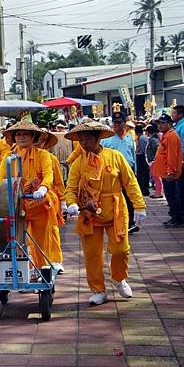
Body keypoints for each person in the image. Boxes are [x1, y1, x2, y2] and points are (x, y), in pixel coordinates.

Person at [64, 121, 146, 305]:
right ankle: (98, 289)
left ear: (97, 138)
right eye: (81, 140)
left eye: (88, 139)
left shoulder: (115, 157)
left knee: (121, 250)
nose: (84, 143)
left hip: (115, 210)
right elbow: (70, 187)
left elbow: (130, 182)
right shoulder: (78, 163)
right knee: (92, 254)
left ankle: (119, 277)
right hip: (89, 213)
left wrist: (139, 206)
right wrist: (71, 203)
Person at [0, 121, 59, 274]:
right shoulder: (9, 158)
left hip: (38, 204)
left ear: (33, 137)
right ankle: (21, 271)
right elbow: (0, 176)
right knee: (16, 240)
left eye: (26, 134)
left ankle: (41, 271)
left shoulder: (43, 155)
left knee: (39, 242)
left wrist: (43, 188)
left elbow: (48, 175)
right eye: (18, 134)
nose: (21, 137)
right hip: (17, 205)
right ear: (14, 137)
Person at [101, 112, 138, 234]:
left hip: (129, 171)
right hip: (114, 173)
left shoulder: (129, 138)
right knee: (118, 198)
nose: (117, 125)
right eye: (115, 122)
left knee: (130, 197)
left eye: (119, 122)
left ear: (124, 123)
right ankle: (119, 222)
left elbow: (133, 155)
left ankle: (131, 222)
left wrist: (135, 171)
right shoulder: (107, 139)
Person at [37, 130, 66, 274]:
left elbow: (59, 182)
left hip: (49, 200)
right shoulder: (20, 157)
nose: (38, 143)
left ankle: (55, 260)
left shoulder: (51, 159)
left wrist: (63, 200)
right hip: (30, 201)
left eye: (42, 140)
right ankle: (36, 264)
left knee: (52, 231)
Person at [155, 114, 183, 227]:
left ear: (169, 124)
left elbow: (172, 156)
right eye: (159, 123)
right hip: (165, 172)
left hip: (169, 173)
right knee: (170, 195)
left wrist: (171, 172)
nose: (160, 125)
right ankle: (175, 216)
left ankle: (177, 218)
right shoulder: (166, 135)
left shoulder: (171, 136)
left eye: (162, 123)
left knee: (172, 196)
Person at [172, 105, 184, 217]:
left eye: (174, 113)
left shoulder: (183, 127)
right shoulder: (177, 126)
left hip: (181, 163)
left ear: (180, 114)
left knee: (180, 190)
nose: (172, 115)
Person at [145, 124, 162, 198]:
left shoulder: (153, 140)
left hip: (154, 161)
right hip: (152, 161)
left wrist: (156, 158)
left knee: (156, 177)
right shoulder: (152, 139)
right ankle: (158, 192)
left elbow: (158, 148)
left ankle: (159, 192)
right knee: (155, 177)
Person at [135, 124, 150, 196]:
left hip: (141, 157)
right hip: (142, 157)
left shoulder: (141, 138)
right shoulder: (143, 137)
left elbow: (144, 149)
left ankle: (144, 189)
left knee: (142, 174)